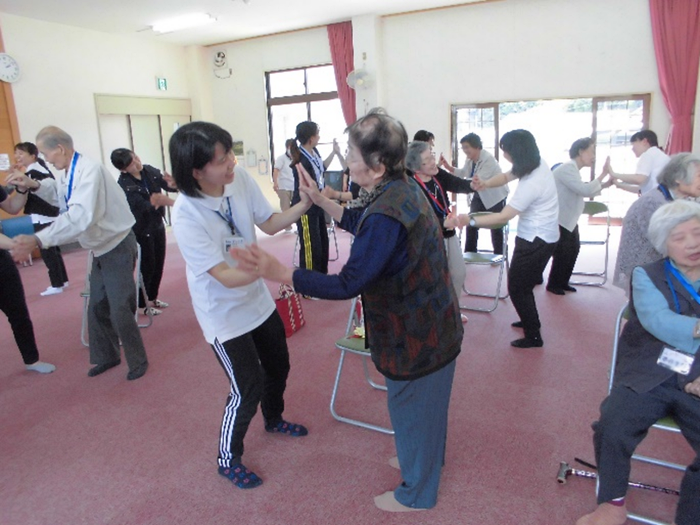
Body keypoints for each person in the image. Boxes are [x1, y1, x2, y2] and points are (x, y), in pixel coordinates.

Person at [232, 109, 463, 512]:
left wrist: (282, 272)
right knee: (424, 409)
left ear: (376, 166)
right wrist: (321, 200)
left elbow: (347, 282)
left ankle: (417, 492)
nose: (345, 160)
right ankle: (423, 459)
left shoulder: (389, 209)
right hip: (431, 326)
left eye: (352, 155)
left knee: (411, 409)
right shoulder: (400, 187)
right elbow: (363, 221)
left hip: (417, 335)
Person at [169, 121, 311, 490]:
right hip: (223, 313)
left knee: (279, 365)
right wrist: (274, 270)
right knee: (245, 387)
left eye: (231, 153)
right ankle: (227, 458)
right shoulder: (186, 213)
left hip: (256, 301)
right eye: (222, 160)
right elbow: (223, 275)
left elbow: (270, 222)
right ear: (197, 171)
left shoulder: (239, 179)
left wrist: (306, 203)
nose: (232, 162)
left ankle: (274, 418)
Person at [576, 199, 700, 525]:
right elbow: (659, 321)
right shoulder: (646, 275)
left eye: (697, 233)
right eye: (679, 237)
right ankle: (612, 503)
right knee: (612, 423)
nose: (692, 244)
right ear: (663, 244)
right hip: (650, 371)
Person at [7, 126, 149, 381]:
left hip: (116, 244)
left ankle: (138, 360)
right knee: (96, 306)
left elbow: (79, 217)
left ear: (59, 148)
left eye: (45, 153)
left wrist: (38, 239)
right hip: (100, 247)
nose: (45, 159)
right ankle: (107, 356)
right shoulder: (69, 170)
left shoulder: (89, 171)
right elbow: (62, 198)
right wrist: (33, 184)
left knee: (119, 307)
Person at [457, 129, 559, 348]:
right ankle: (529, 320)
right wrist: (485, 184)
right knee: (523, 285)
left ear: (517, 152)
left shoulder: (533, 181)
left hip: (536, 239)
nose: (504, 155)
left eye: (506, 151)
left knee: (517, 288)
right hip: (538, 235)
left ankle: (533, 336)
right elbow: (506, 176)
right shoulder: (534, 163)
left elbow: (504, 216)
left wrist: (470, 220)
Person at [405, 140, 473, 322]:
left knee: (458, 273)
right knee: (433, 279)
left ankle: (453, 311)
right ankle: (435, 317)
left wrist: (474, 185)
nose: (434, 161)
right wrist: (442, 223)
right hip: (429, 239)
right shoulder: (411, 187)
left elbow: (458, 184)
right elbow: (417, 219)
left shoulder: (437, 175)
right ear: (417, 167)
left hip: (449, 234)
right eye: (428, 159)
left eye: (432, 155)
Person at [613, 153, 700, 293]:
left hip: (671, 269)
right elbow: (669, 248)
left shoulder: (683, 200)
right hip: (648, 276)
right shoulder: (652, 203)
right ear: (678, 178)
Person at [110, 148, 175, 316]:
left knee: (159, 262)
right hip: (141, 228)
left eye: (136, 158)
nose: (137, 163)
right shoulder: (124, 185)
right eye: (132, 164)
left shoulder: (149, 171)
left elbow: (166, 184)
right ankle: (142, 303)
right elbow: (144, 207)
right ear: (123, 169)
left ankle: (152, 298)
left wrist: (177, 184)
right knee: (148, 265)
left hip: (158, 224)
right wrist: (165, 202)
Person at [0, 181, 55, 374]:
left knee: (19, 313)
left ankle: (32, 360)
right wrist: (19, 244)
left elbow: (13, 207)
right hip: (5, 247)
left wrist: (22, 188)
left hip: (2, 262)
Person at [546, 138, 611, 295]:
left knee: (572, 249)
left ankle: (562, 281)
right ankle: (554, 284)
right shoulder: (568, 168)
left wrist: (606, 183)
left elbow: (584, 189)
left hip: (567, 217)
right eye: (592, 151)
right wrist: (603, 174)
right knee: (564, 251)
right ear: (581, 152)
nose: (594, 156)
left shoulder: (573, 169)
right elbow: (585, 191)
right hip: (559, 217)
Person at [14, 142, 69, 296]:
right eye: (16, 153)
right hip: (46, 215)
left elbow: (43, 189)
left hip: (44, 216)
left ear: (33, 155)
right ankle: (62, 280)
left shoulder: (35, 171)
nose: (17, 157)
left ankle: (56, 284)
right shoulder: (36, 169)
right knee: (53, 250)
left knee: (48, 251)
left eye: (21, 154)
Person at [440, 133, 508, 254]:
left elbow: (477, 182)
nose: (465, 150)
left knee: (496, 227)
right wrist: (448, 167)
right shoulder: (470, 159)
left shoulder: (488, 160)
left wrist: (458, 184)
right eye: (463, 148)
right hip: (480, 195)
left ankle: (500, 255)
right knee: (471, 223)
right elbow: (463, 173)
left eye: (467, 147)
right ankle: (470, 252)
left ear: (477, 147)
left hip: (495, 196)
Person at [289, 122, 343, 276]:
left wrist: (334, 153)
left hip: (317, 204)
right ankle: (308, 284)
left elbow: (321, 167)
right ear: (311, 138)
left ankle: (320, 278)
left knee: (322, 244)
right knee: (310, 246)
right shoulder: (301, 159)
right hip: (305, 207)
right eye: (317, 134)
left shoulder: (314, 152)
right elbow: (308, 185)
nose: (319, 136)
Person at [605, 129, 669, 195]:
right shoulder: (658, 154)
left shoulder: (648, 154)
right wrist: (619, 185)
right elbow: (641, 190)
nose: (632, 149)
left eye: (633, 144)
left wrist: (614, 174)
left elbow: (639, 179)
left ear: (644, 141)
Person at [272, 138, 295, 232]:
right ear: (287, 147)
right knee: (285, 208)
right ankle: (287, 227)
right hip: (284, 186)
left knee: (297, 207)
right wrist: (275, 183)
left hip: (294, 186)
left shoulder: (296, 158)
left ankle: (299, 225)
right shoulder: (281, 158)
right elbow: (276, 170)